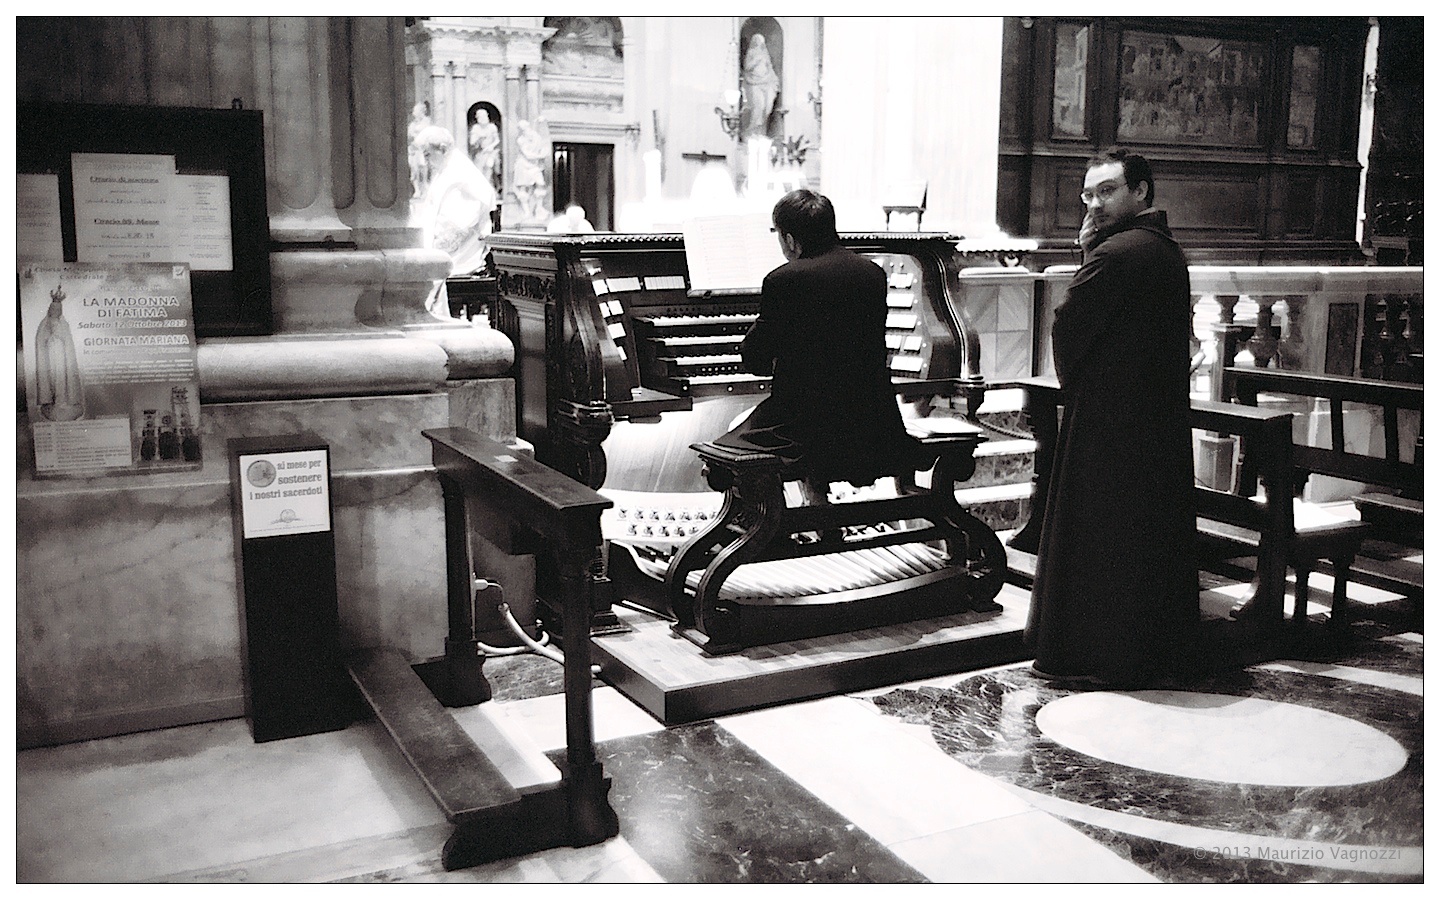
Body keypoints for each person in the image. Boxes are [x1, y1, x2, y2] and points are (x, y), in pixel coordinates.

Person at [1024, 147, 1199, 690]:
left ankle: (1094, 653)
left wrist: (1089, 254)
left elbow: (1068, 323)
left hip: (1110, 421)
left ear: (1140, 191)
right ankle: (1145, 653)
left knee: (1101, 539)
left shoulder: (1118, 253)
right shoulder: (1165, 248)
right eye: (1088, 193)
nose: (1094, 203)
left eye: (1107, 191)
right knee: (1143, 538)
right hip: (1154, 418)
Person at [715, 189, 922, 504]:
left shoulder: (783, 280)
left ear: (789, 239)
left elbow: (756, 359)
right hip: (873, 420)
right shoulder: (872, 274)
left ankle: (771, 524)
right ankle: (818, 509)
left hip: (804, 427)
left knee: (722, 453)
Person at [413, 125, 496, 277]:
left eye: (427, 155)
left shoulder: (462, 173)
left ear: (443, 149)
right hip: (441, 253)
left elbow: (462, 227)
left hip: (458, 260)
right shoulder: (445, 171)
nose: (425, 162)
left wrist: (430, 251)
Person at [740, 33, 780, 139]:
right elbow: (747, 67)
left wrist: (774, 79)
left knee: (767, 108)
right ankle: (752, 132)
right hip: (754, 82)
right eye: (758, 42)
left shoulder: (765, 54)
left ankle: (762, 132)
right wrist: (756, 61)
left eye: (761, 42)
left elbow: (770, 68)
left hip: (766, 82)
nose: (760, 44)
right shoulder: (751, 52)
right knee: (759, 107)